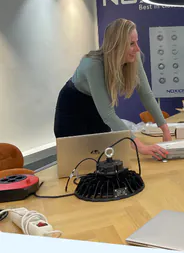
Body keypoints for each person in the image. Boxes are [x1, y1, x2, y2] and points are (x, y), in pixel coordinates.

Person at [54, 18, 170, 160]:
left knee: (103, 157)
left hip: (95, 106)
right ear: (117, 46)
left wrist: (165, 129)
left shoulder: (134, 56)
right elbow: (108, 115)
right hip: (73, 107)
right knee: (75, 159)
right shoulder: (93, 65)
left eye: (137, 42)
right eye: (131, 44)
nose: (137, 49)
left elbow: (146, 94)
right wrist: (141, 147)